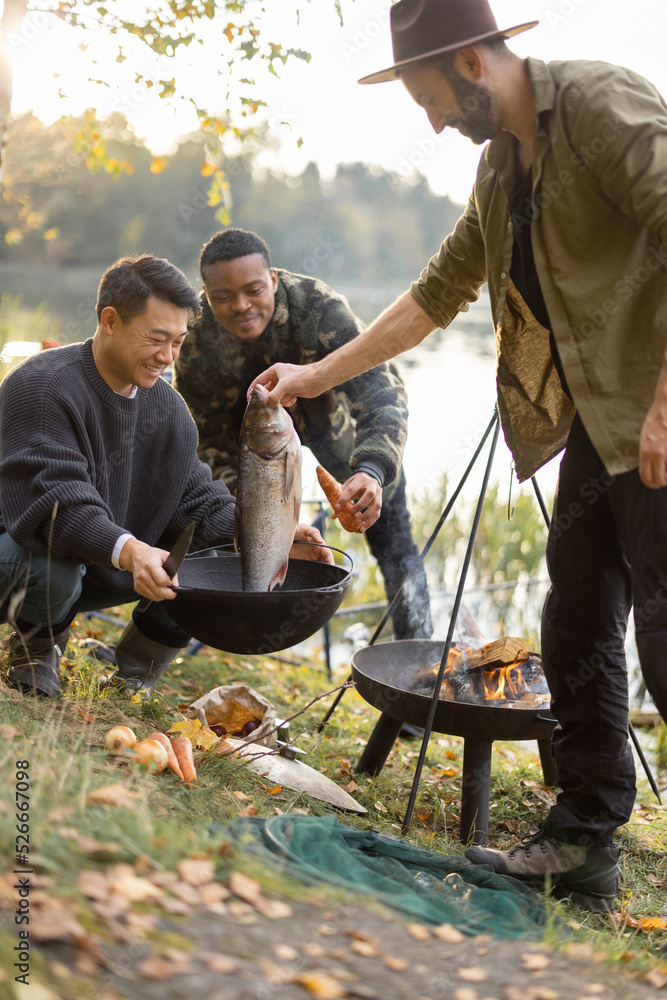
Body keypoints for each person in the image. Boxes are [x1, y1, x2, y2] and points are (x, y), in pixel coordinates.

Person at [247, 0, 667, 911]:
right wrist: (315, 375)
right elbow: (436, 293)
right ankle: (582, 843)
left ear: (472, 65)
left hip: (658, 419)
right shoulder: (500, 165)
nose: (431, 121)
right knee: (577, 624)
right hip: (602, 432)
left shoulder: (596, 104)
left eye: (430, 99)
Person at [0, 254, 329, 699]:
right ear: (110, 320)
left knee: (202, 565)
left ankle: (134, 676)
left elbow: (194, 499)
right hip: (21, 559)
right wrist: (133, 552)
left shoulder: (168, 408)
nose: (167, 357)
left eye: (177, 341)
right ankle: (35, 653)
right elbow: (59, 505)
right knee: (53, 565)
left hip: (94, 569)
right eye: (156, 338)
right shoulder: (43, 387)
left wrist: (268, 535)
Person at [173, 228, 432, 644]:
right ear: (205, 292)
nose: (240, 306)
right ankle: (228, 627)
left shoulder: (320, 307)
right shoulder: (195, 338)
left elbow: (382, 391)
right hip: (253, 451)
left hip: (342, 432)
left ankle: (416, 655)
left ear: (273, 279)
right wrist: (251, 508)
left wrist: (372, 470)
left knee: (394, 543)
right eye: (222, 297)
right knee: (232, 532)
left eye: (253, 290)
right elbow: (200, 438)